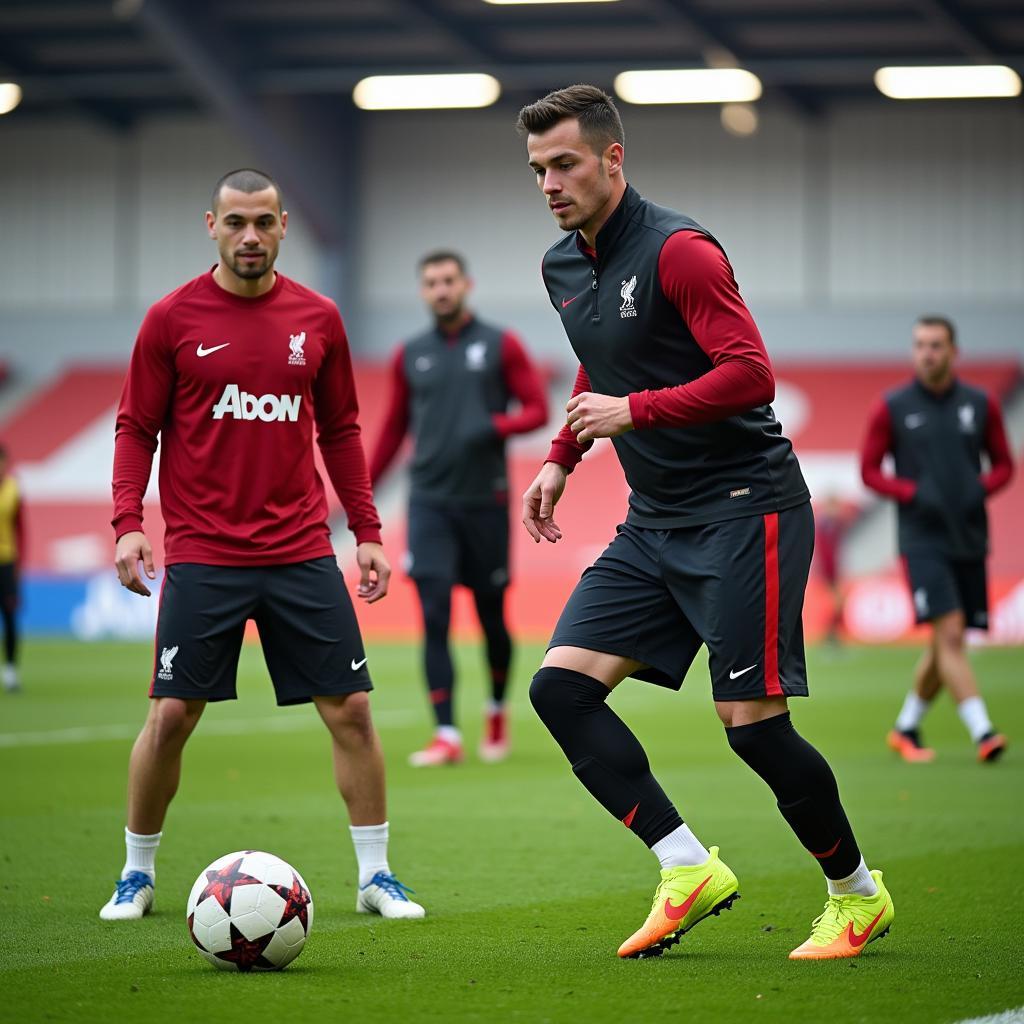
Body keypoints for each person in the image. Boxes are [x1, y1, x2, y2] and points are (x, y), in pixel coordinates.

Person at [516, 85, 893, 961]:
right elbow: (596, 366)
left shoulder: (680, 251)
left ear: (614, 158)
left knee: (753, 726)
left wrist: (634, 415)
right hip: (655, 521)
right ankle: (685, 866)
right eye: (537, 169)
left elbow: (751, 375)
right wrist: (560, 459)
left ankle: (857, 894)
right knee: (560, 690)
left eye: (565, 163)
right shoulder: (561, 265)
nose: (549, 183)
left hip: (744, 508)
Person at [99, 168, 425, 931]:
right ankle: (135, 873)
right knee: (172, 713)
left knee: (350, 710)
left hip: (301, 551)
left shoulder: (319, 319)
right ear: (210, 223)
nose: (251, 236)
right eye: (236, 222)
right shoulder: (170, 319)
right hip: (205, 554)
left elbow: (342, 430)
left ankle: (376, 874)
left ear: (284, 227)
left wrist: (368, 533)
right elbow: (134, 429)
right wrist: (126, 522)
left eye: (265, 223)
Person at [369, 252, 548, 766]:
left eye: (449, 280)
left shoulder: (500, 344)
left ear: (465, 284)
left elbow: (536, 408)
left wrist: (494, 426)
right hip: (428, 503)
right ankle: (446, 733)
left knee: (492, 617)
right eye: (431, 283)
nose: (441, 290)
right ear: (423, 291)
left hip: (484, 502)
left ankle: (495, 711)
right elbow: (394, 428)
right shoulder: (411, 354)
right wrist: (360, 490)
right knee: (434, 615)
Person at [861, 315, 1013, 764]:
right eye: (921, 345)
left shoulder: (980, 404)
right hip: (920, 538)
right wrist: (912, 493)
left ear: (953, 351)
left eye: (936, 345)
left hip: (968, 536)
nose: (927, 353)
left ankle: (906, 727)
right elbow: (869, 471)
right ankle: (983, 731)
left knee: (945, 642)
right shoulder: (892, 406)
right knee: (949, 635)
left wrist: (977, 489)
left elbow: (1005, 464)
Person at [0, 443, 24, 692]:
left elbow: (21, 529)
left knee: (9, 617)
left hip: (7, 562)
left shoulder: (14, 489)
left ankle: (10, 670)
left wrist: (20, 564)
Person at [814, 494, 849, 647]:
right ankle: (830, 636)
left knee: (837, 604)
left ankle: (832, 636)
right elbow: (824, 554)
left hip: (832, 572)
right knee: (837, 604)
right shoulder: (825, 525)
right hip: (828, 573)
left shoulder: (834, 524)